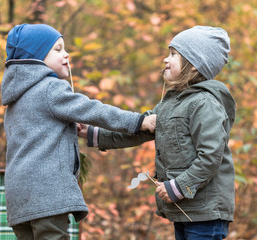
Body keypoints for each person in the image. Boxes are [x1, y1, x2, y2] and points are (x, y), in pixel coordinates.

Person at [1, 23, 156, 240]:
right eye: (58, 49)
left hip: (19, 198)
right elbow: (94, 110)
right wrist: (138, 121)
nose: (66, 54)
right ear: (36, 57)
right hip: (47, 194)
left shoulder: (14, 100)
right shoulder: (50, 88)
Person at [79, 26, 236, 240]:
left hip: (206, 211)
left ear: (193, 66)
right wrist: (93, 133)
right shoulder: (171, 104)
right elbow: (138, 129)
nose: (165, 59)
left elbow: (210, 156)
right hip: (187, 209)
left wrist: (180, 186)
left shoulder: (204, 104)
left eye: (173, 54)